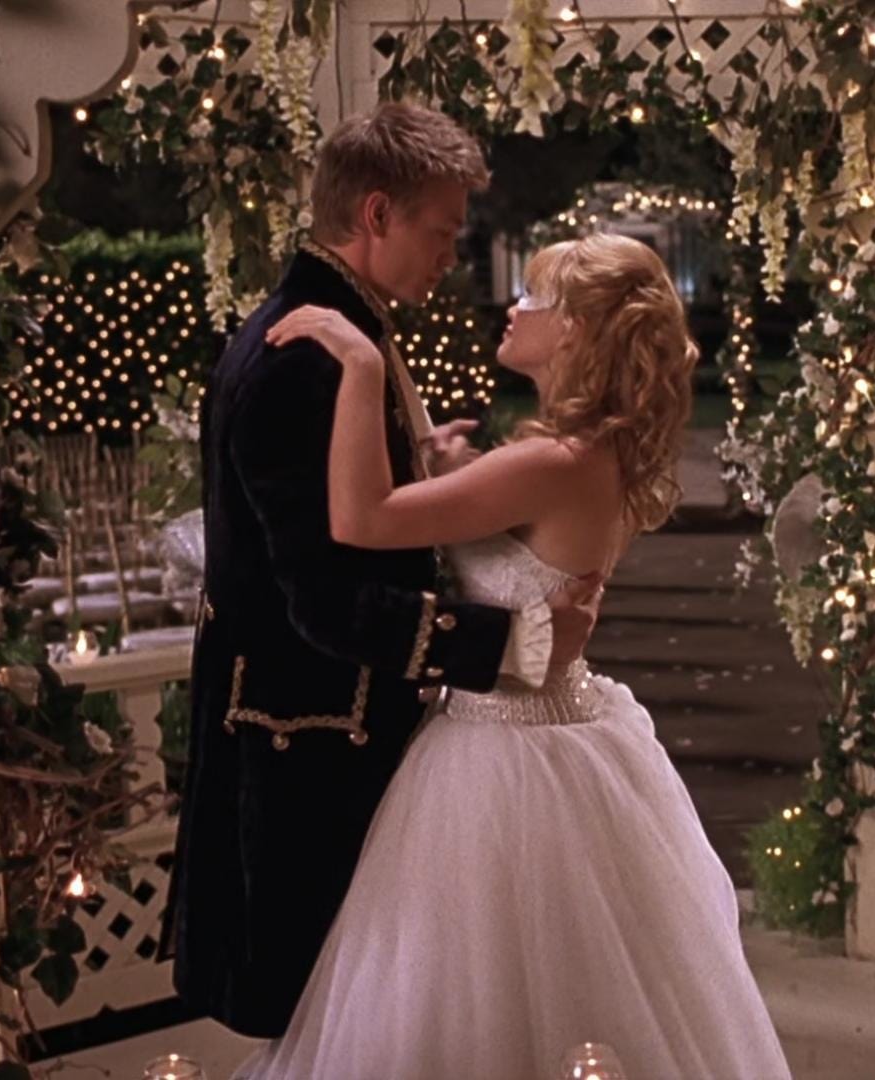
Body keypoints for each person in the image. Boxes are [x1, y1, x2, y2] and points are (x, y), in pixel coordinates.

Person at [234, 232, 792, 1078]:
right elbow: (488, 530)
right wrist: (443, 450)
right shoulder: (580, 455)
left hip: (500, 751)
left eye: (532, 300)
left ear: (573, 332)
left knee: (472, 986)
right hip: (555, 728)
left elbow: (363, 518)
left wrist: (363, 369)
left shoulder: (550, 461)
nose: (512, 309)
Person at [168, 102, 601, 1041]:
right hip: (308, 744)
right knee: (347, 1029)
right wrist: (513, 642)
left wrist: (423, 461)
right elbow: (320, 597)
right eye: (441, 232)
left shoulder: (331, 328)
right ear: (375, 215)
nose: (451, 255)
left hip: (329, 729)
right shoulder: (308, 359)